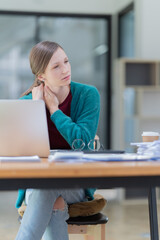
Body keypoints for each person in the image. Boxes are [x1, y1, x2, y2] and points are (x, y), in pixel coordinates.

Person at [15, 41, 100, 240]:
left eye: (66, 61)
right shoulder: (27, 104)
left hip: (76, 183)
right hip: (36, 183)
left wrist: (54, 110)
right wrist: (37, 107)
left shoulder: (88, 95)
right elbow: (23, 152)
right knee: (53, 198)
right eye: (56, 66)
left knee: (48, 186)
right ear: (41, 76)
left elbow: (83, 141)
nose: (65, 69)